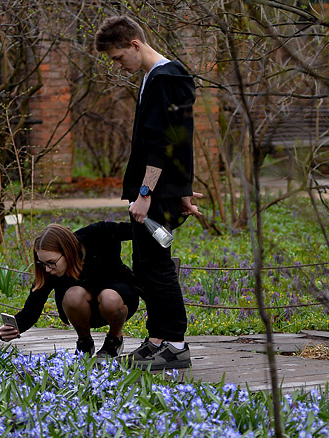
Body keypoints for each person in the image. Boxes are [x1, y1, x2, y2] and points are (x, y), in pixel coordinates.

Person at [94, 15, 201, 371]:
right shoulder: (158, 78)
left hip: (153, 192)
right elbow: (180, 139)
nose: (119, 65)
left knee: (156, 266)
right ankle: (158, 339)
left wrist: (145, 193)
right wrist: (182, 190)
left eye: (119, 57)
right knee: (146, 264)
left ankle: (174, 343)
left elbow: (161, 144)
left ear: (135, 44)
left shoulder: (165, 79)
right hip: (164, 189)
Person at [0, 222, 138, 358]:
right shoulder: (49, 270)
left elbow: (139, 231)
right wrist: (14, 328)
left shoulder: (97, 235)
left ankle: (114, 339)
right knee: (73, 295)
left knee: (109, 297)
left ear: (67, 251)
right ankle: (84, 342)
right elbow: (34, 305)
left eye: (52, 263)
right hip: (83, 311)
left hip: (118, 302)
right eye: (42, 264)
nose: (47, 269)